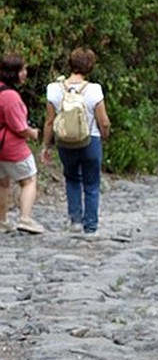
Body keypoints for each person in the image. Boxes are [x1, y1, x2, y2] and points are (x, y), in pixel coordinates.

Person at [40, 47, 111, 236]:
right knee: (92, 183)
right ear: (90, 67)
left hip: (65, 142)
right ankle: (91, 226)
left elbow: (49, 121)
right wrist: (104, 135)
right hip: (91, 140)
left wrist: (46, 145)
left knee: (71, 179)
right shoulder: (94, 90)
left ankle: (75, 221)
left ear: (70, 64)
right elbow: (103, 121)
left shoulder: (54, 89)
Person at [0, 53, 44, 234]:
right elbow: (19, 127)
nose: (25, 73)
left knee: (2, 182)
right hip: (10, 146)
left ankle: (1, 221)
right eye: (23, 69)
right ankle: (25, 218)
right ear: (14, 73)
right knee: (29, 179)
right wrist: (34, 133)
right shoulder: (10, 96)